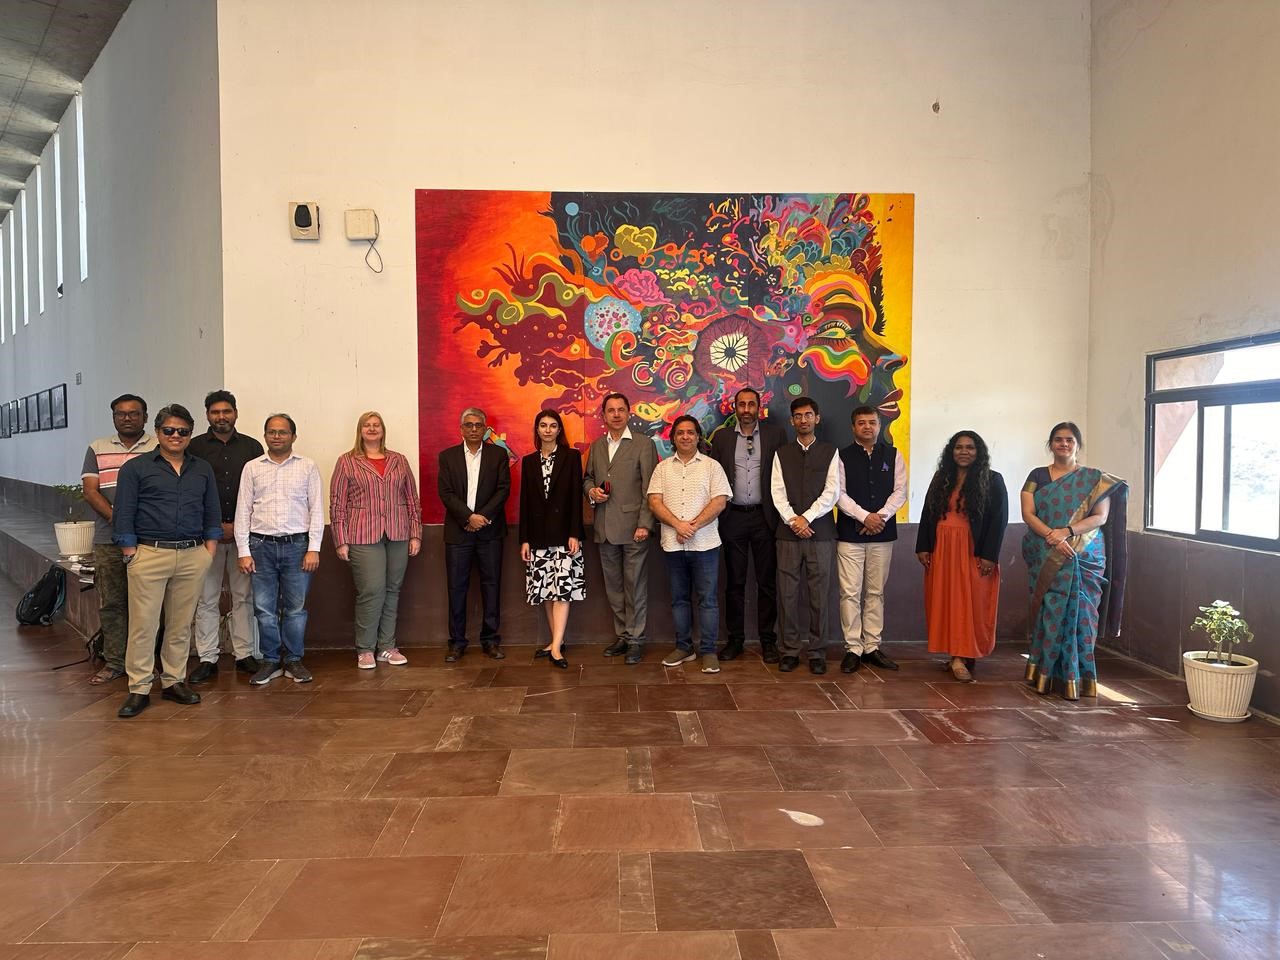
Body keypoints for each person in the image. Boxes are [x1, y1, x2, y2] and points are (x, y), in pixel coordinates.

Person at [112, 403, 221, 718]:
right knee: (143, 626)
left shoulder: (202, 468)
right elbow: (123, 512)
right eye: (169, 430)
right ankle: (139, 688)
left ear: (190, 434)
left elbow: (211, 509)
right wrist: (130, 552)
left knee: (180, 625)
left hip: (192, 555)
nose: (176, 436)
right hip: (149, 554)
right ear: (157, 432)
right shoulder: (136, 468)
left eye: (182, 431)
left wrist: (209, 550)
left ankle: (173, 681)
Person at [1020, 422, 1128, 700]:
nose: (1064, 444)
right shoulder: (1037, 475)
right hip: (1046, 550)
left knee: (1083, 614)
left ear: (1078, 444)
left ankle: (1078, 676)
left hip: (1084, 553)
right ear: (1051, 444)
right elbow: (1028, 513)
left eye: (1069, 440)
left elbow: (1100, 517)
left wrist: (1067, 532)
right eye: (1058, 439)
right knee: (1049, 612)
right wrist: (1053, 536)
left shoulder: (1095, 479)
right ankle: (1044, 674)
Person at [235, 414, 324, 686]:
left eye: (283, 432)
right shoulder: (252, 467)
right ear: (265, 436)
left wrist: (314, 548)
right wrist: (243, 550)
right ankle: (271, 661)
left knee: (295, 608)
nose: (277, 436)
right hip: (260, 546)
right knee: (264, 608)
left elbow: (316, 509)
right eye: (271, 432)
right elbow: (243, 510)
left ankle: (294, 660)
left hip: (297, 546)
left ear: (293, 436)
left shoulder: (307, 466)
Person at [330, 411, 423, 669]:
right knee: (371, 590)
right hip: (362, 534)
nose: (372, 429)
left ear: (383, 430)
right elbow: (337, 503)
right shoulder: (347, 461)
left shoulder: (399, 460)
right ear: (360, 430)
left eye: (376, 425)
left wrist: (416, 533)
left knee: (393, 590)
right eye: (367, 425)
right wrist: (340, 539)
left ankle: (387, 647)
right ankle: (365, 649)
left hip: (398, 532)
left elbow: (411, 499)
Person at [915, 431, 1009, 682]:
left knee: (971, 603)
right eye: (959, 447)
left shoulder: (992, 480)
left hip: (972, 549)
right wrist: (923, 546)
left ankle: (964, 653)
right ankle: (958, 655)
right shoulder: (941, 478)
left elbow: (999, 520)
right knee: (947, 601)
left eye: (970, 447)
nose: (964, 452)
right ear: (951, 451)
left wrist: (989, 555)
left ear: (979, 452)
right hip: (942, 549)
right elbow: (927, 513)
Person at [186, 390, 263, 682]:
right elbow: (191, 492)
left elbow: (260, 492)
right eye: (215, 412)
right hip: (207, 536)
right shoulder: (194, 448)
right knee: (207, 598)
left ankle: (244, 654)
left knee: (243, 596)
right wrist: (216, 526)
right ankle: (208, 657)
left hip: (245, 537)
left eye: (226, 411)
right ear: (207, 415)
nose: (221, 417)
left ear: (236, 413)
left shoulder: (252, 447)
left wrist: (239, 527)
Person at [81, 393, 157, 684]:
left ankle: (147, 663)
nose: (127, 418)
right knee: (112, 602)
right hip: (108, 539)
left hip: (149, 539)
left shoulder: (157, 446)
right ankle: (115, 662)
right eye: (121, 414)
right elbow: (91, 491)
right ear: (113, 418)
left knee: (149, 604)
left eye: (134, 413)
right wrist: (120, 521)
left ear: (145, 417)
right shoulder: (97, 448)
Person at [648, 415, 732, 674]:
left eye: (690, 432)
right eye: (680, 433)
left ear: (698, 437)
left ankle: (708, 651)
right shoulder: (662, 468)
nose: (685, 437)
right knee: (679, 600)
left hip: (705, 545)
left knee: (708, 600)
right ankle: (684, 647)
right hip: (673, 546)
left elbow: (720, 501)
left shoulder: (712, 466)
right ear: (673, 438)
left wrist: (691, 526)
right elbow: (654, 501)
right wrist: (678, 525)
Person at [709, 386, 786, 663]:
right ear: (735, 408)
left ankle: (768, 641)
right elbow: (714, 477)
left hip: (765, 517)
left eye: (751, 404)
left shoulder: (776, 435)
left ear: (758, 407)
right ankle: (735, 640)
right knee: (735, 582)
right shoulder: (722, 438)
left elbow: (785, 473)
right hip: (734, 518)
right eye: (741, 404)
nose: (746, 410)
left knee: (766, 582)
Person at [584, 393, 658, 664]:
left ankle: (636, 640)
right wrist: (591, 491)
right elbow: (588, 478)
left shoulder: (643, 444)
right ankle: (623, 636)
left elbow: (651, 487)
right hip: (604, 528)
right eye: (610, 410)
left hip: (634, 529)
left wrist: (645, 524)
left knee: (634, 586)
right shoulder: (597, 446)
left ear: (629, 413)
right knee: (614, 587)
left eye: (620, 410)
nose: (616, 415)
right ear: (603, 415)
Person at [770, 396, 840, 674]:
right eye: (798, 416)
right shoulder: (781, 453)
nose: (803, 420)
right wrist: (793, 520)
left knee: (819, 596)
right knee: (786, 595)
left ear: (817, 418)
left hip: (820, 533)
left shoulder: (830, 451)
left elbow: (832, 491)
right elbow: (777, 492)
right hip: (787, 534)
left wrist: (806, 518)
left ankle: (817, 652)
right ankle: (788, 650)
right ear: (792, 421)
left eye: (808, 415)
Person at [835, 405, 907, 674]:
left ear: (879, 425)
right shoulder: (841, 456)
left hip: (883, 533)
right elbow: (838, 494)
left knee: (876, 592)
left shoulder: (894, 454)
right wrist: (865, 517)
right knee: (850, 593)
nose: (867, 427)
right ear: (853, 427)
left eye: (872, 422)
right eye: (861, 422)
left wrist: (880, 517)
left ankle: (872, 646)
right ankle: (853, 647)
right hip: (849, 535)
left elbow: (900, 491)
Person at [437, 407, 510, 661]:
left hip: (490, 532)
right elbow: (446, 493)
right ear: (461, 429)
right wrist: (468, 517)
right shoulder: (447, 457)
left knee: (491, 586)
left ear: (486, 429)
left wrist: (481, 518)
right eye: (468, 425)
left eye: (478, 425)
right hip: (459, 533)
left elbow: (503, 490)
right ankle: (457, 642)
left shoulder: (498, 455)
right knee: (457, 588)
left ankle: (490, 640)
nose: (474, 429)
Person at [519, 409, 585, 669]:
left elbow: (576, 498)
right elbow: (525, 503)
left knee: (562, 591)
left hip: (564, 536)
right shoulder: (528, 461)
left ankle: (556, 647)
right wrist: (524, 539)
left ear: (559, 430)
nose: (548, 430)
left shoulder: (571, 457)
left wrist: (575, 533)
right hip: (537, 537)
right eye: (543, 425)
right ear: (537, 429)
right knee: (546, 591)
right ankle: (556, 639)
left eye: (553, 425)